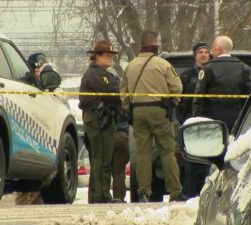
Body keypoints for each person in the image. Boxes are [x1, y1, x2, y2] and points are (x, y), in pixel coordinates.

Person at [120, 31, 187, 202]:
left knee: (143, 153)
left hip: (138, 112)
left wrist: (128, 108)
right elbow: (177, 86)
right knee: (167, 152)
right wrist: (174, 102)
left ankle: (144, 192)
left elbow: (123, 92)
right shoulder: (163, 64)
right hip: (160, 111)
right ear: (154, 45)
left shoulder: (130, 66)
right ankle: (175, 191)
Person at [78, 40, 121, 204]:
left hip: (100, 117)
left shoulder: (100, 73)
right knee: (102, 159)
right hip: (98, 118)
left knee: (99, 159)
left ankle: (97, 196)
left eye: (111, 55)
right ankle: (102, 196)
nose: (110, 59)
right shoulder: (97, 74)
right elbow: (112, 91)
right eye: (107, 55)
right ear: (97, 56)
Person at [193, 36, 251, 131]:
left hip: (212, 118)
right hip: (237, 118)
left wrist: (198, 119)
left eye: (213, 47)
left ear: (218, 49)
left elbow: (199, 97)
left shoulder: (208, 69)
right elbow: (249, 97)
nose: (212, 50)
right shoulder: (243, 68)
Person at [178, 42, 211, 198]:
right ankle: (189, 192)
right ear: (195, 56)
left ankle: (207, 190)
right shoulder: (186, 75)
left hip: (210, 124)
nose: (204, 54)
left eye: (206, 52)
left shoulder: (213, 72)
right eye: (200, 52)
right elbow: (179, 100)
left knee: (209, 159)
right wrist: (183, 119)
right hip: (191, 123)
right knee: (191, 159)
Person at [15, 52, 48, 205]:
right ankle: (22, 206)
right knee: (25, 175)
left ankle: (36, 204)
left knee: (39, 178)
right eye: (37, 67)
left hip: (42, 134)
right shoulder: (24, 82)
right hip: (25, 133)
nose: (39, 70)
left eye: (42, 67)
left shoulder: (45, 83)